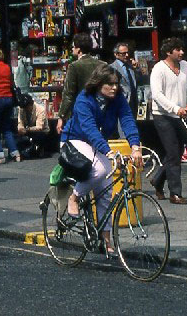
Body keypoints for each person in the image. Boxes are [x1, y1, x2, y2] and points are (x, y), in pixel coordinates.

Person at [60, 64, 142, 254]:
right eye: (110, 84)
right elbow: (89, 128)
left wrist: (135, 146)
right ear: (98, 84)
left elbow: (128, 120)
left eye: (116, 84)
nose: (114, 88)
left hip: (97, 143)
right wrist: (109, 152)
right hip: (74, 141)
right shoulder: (84, 99)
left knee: (106, 190)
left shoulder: (117, 99)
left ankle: (106, 240)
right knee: (99, 170)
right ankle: (75, 197)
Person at [148, 37, 187, 204]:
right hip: (163, 115)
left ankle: (157, 180)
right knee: (172, 152)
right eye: (177, 49)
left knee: (179, 151)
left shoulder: (185, 66)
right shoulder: (158, 69)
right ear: (168, 52)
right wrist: (175, 108)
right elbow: (157, 95)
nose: (182, 52)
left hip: (179, 115)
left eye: (182, 49)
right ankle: (175, 194)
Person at [57, 32, 105, 134]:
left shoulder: (74, 66)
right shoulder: (102, 65)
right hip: (100, 111)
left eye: (73, 46)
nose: (72, 49)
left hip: (81, 112)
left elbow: (68, 94)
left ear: (79, 49)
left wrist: (61, 116)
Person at [16, 92, 50, 159]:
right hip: (28, 131)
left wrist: (27, 129)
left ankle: (37, 151)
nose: (25, 109)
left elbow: (39, 127)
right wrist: (20, 129)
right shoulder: (22, 109)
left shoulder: (40, 109)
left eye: (26, 107)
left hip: (41, 132)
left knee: (39, 136)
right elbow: (20, 122)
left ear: (30, 105)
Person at [110, 41, 139, 113]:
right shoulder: (112, 68)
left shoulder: (130, 67)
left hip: (133, 103)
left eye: (127, 53)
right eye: (123, 53)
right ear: (116, 54)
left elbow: (137, 82)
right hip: (121, 104)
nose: (127, 55)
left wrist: (136, 69)